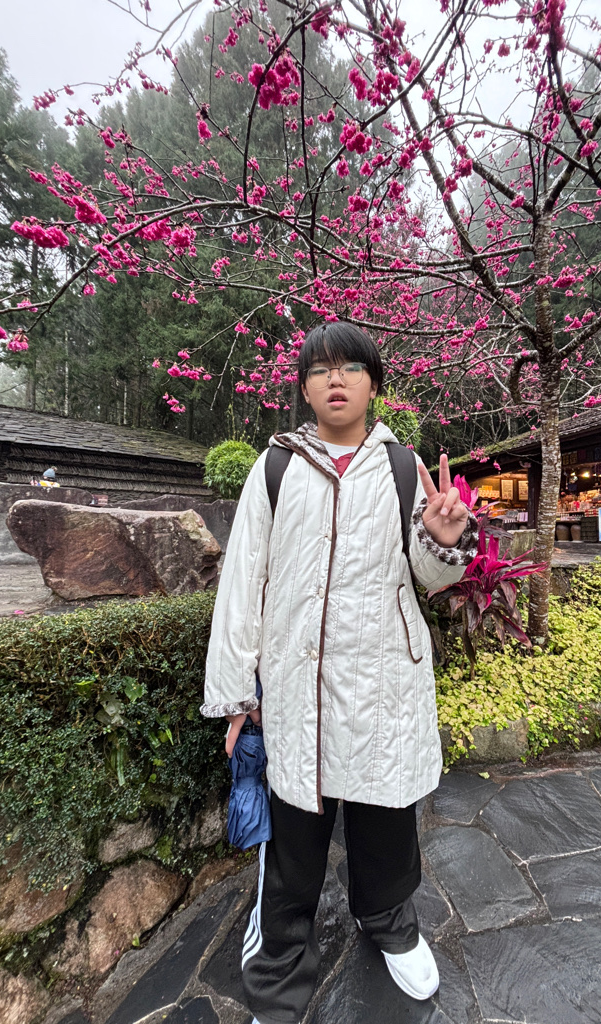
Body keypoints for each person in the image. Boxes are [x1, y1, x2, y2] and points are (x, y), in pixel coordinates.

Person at [201, 321, 478, 1024]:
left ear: (373, 385)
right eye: (321, 368)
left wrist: (443, 539)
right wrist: (236, 691)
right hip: (298, 687)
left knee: (386, 821)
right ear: (303, 388)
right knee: (294, 841)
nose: (335, 379)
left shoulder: (402, 468)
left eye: (351, 367)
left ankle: (389, 921)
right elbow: (243, 582)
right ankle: (280, 965)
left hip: (383, 683)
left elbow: (431, 579)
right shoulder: (276, 468)